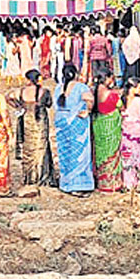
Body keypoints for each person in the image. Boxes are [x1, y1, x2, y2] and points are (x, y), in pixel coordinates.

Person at [53, 64, 94, 194]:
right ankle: (79, 184)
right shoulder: (81, 87)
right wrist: (87, 110)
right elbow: (90, 99)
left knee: (65, 151)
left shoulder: (58, 88)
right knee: (79, 153)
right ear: (75, 74)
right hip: (76, 122)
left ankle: (66, 183)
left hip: (61, 122)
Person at [20, 69, 56, 188]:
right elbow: (49, 104)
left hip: (27, 121)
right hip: (40, 121)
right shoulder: (44, 92)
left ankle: (30, 176)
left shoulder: (23, 92)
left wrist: (21, 107)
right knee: (41, 147)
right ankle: (42, 175)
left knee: (29, 147)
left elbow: (9, 96)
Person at [119, 78, 140, 193]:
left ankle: (129, 183)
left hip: (126, 132)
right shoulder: (138, 101)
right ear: (132, 88)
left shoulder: (122, 99)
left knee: (127, 157)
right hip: (138, 133)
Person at [92, 69, 124, 192]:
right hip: (110, 126)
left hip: (99, 125)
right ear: (107, 79)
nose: (113, 81)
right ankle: (111, 183)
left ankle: (101, 182)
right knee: (111, 152)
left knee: (101, 153)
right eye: (111, 78)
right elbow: (121, 106)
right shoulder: (112, 95)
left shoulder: (94, 91)